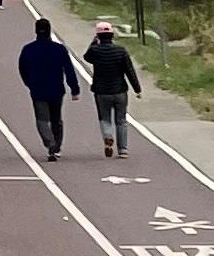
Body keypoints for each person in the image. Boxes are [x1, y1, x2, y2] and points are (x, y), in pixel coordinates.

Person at [15, 14, 80, 161]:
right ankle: (57, 146)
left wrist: (30, 84)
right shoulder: (59, 49)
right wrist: (74, 89)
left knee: (42, 119)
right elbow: (69, 69)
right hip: (57, 89)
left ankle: (49, 143)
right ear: (50, 31)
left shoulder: (28, 49)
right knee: (56, 119)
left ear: (36, 31)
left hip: (38, 90)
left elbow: (22, 69)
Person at [86, 20, 142, 160]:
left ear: (98, 36)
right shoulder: (121, 51)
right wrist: (137, 89)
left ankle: (108, 136)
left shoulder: (95, 51)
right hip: (120, 91)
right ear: (112, 35)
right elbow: (129, 70)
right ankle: (123, 149)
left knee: (105, 118)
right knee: (121, 120)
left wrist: (94, 42)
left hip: (101, 92)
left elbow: (87, 57)